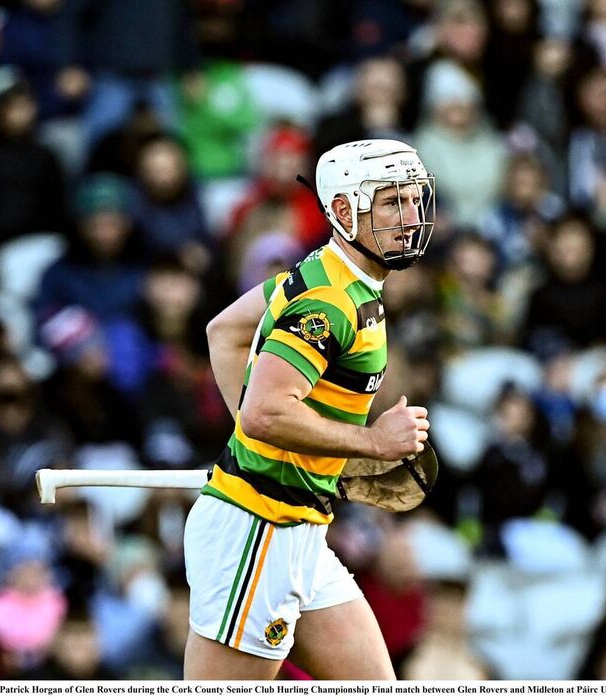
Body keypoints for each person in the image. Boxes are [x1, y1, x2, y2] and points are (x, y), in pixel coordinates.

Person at [183, 139, 436, 680]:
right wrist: (373, 443)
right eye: (391, 202)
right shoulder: (329, 302)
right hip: (259, 531)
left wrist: (272, 451)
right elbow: (264, 414)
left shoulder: (332, 271)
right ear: (343, 212)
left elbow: (225, 333)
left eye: (414, 200)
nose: (411, 217)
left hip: (300, 528)